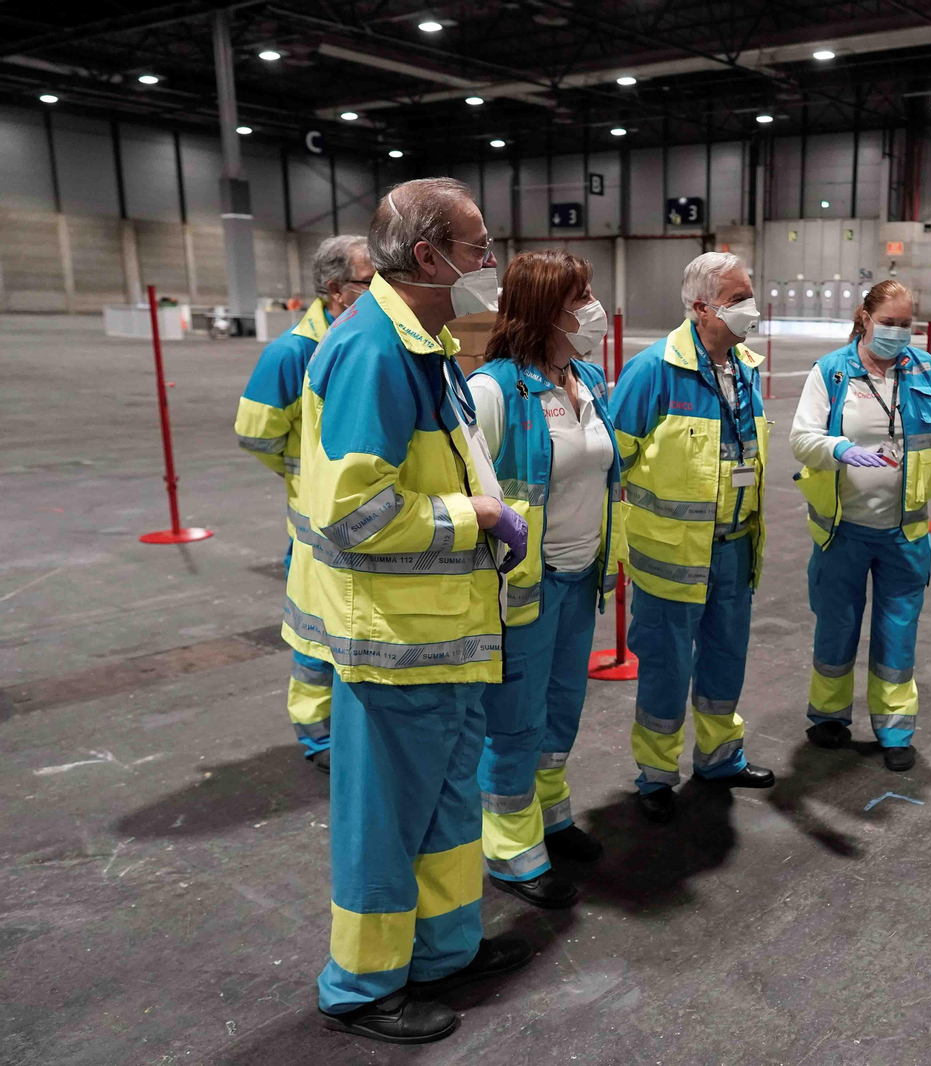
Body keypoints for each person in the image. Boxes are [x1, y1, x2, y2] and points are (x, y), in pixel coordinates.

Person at [289, 177, 531, 1043]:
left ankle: (442, 952)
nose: (487, 260)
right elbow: (355, 516)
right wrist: (484, 517)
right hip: (396, 644)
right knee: (384, 823)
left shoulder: (420, 342)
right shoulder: (374, 353)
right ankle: (361, 986)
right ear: (426, 257)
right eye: (476, 247)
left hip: (447, 637)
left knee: (444, 811)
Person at [791, 280, 931, 771]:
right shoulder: (831, 372)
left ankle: (895, 727)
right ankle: (828, 715)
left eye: (906, 324)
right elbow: (803, 439)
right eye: (889, 323)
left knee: (898, 631)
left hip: (904, 533)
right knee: (836, 625)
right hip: (842, 529)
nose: (899, 333)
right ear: (864, 319)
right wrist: (840, 449)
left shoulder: (926, 368)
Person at [468, 251, 623, 909]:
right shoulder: (494, 389)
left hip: (580, 576)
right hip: (523, 588)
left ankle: (551, 814)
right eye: (579, 295)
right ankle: (509, 847)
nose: (592, 306)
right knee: (515, 719)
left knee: (563, 708)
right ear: (542, 308)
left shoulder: (586, 378)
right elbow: (477, 496)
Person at [608, 252, 777, 824]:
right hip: (671, 554)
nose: (750, 307)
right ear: (702, 306)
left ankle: (720, 756)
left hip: (733, 546)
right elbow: (615, 465)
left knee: (726, 659)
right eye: (738, 297)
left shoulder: (746, 367)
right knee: (665, 666)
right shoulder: (653, 371)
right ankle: (656, 774)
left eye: (749, 294)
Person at [234, 234, 371, 770]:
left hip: (362, 528)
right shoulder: (293, 352)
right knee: (314, 638)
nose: (382, 288)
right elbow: (256, 432)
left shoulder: (366, 340)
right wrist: (302, 474)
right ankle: (318, 735)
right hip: (314, 534)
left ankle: (352, 727)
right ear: (336, 289)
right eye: (369, 280)